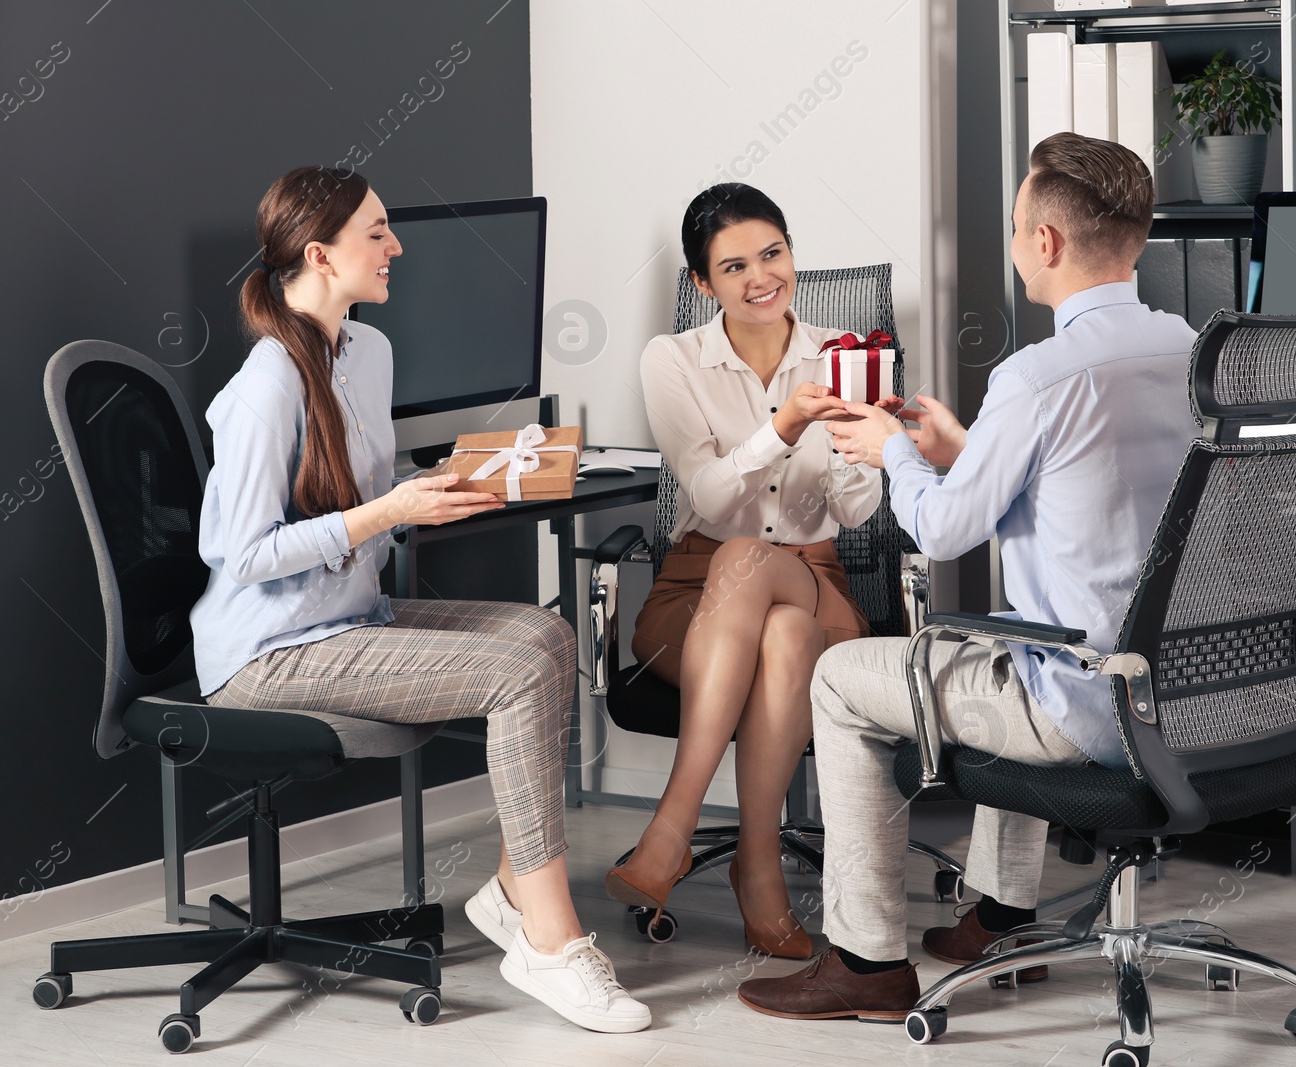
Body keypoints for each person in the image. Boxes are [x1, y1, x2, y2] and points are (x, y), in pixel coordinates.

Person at [737, 132, 1201, 1020]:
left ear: (1048, 243)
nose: (1017, 239)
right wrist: (965, 451)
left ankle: (865, 961)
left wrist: (896, 451)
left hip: (1084, 706)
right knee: (1001, 631)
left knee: (838, 678)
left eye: (1019, 224)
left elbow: (945, 531)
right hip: (1183, 694)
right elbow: (1096, 490)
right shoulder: (1187, 350)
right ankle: (1000, 914)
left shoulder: (1036, 375)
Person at [189, 165, 649, 1034]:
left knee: (545, 633)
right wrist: (388, 511)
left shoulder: (366, 352)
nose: (396, 246)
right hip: (269, 655)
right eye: (377, 232)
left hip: (343, 620)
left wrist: (430, 488)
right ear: (320, 255)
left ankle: (519, 889)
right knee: (518, 666)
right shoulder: (265, 387)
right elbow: (238, 554)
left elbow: (352, 498)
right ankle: (550, 937)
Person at [605, 183, 900, 959]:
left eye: (772, 253)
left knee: (765, 574)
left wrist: (853, 441)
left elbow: (860, 512)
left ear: (793, 254)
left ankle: (670, 829)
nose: (760, 277)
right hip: (694, 593)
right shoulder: (672, 359)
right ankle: (758, 867)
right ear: (703, 284)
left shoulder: (845, 352)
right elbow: (703, 491)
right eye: (733, 266)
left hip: (817, 575)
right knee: (778, 624)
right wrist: (783, 426)